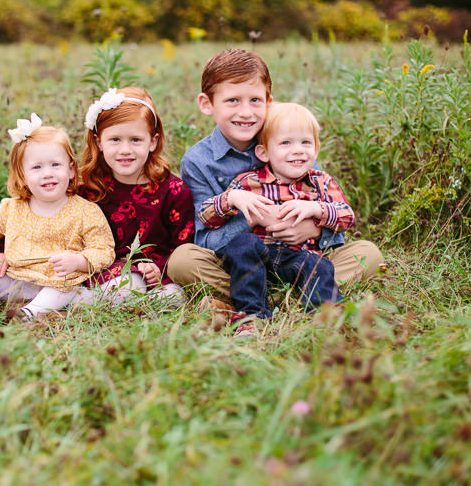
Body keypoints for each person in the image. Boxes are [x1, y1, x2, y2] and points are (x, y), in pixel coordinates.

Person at [166, 48, 384, 324]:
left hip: (301, 258)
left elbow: (332, 213)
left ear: (269, 101)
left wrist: (313, 227)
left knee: (369, 254)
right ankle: (294, 297)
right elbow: (203, 240)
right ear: (207, 104)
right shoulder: (198, 161)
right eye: (232, 100)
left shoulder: (290, 140)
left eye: (255, 100)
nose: (245, 112)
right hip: (238, 263)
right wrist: (249, 216)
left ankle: (252, 300)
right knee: (182, 260)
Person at [201, 102, 352, 337]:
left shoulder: (321, 182)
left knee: (321, 264)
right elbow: (206, 217)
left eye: (306, 143)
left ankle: (325, 316)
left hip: (299, 259)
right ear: (263, 152)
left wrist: (315, 209)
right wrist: (231, 198)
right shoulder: (249, 182)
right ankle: (253, 317)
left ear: (317, 149)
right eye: (285, 143)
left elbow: (347, 217)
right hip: (257, 259)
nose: (298, 150)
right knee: (242, 245)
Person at [0, 114, 115, 320]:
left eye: (55, 165)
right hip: (15, 281)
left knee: (66, 286)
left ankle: (30, 312)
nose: (47, 173)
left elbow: (104, 249)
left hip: (57, 283)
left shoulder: (86, 211)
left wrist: (78, 261)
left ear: (72, 169)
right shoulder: (13, 207)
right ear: (22, 175)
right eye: (37, 167)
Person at [77, 87, 195, 305]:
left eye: (135, 140)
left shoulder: (174, 191)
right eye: (115, 140)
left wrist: (159, 269)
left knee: (174, 297)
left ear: (152, 141)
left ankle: (95, 302)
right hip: (105, 274)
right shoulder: (90, 190)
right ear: (99, 142)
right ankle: (87, 300)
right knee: (130, 285)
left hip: (156, 277)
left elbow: (182, 248)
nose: (125, 150)